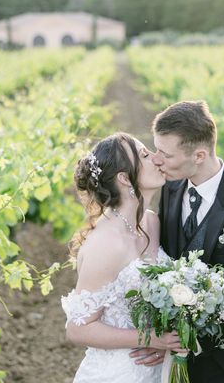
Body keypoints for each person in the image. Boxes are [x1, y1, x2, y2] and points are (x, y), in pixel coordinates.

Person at [130, 100, 224, 383]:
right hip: (171, 363)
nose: (156, 160)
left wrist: (190, 338)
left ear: (199, 155)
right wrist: (165, 339)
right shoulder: (171, 188)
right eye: (155, 150)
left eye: (166, 154)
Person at [61, 132, 184, 382]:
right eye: (145, 155)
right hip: (117, 373)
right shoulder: (106, 244)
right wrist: (150, 339)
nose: (157, 159)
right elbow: (77, 328)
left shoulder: (150, 222)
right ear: (125, 178)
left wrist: (162, 341)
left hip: (155, 370)